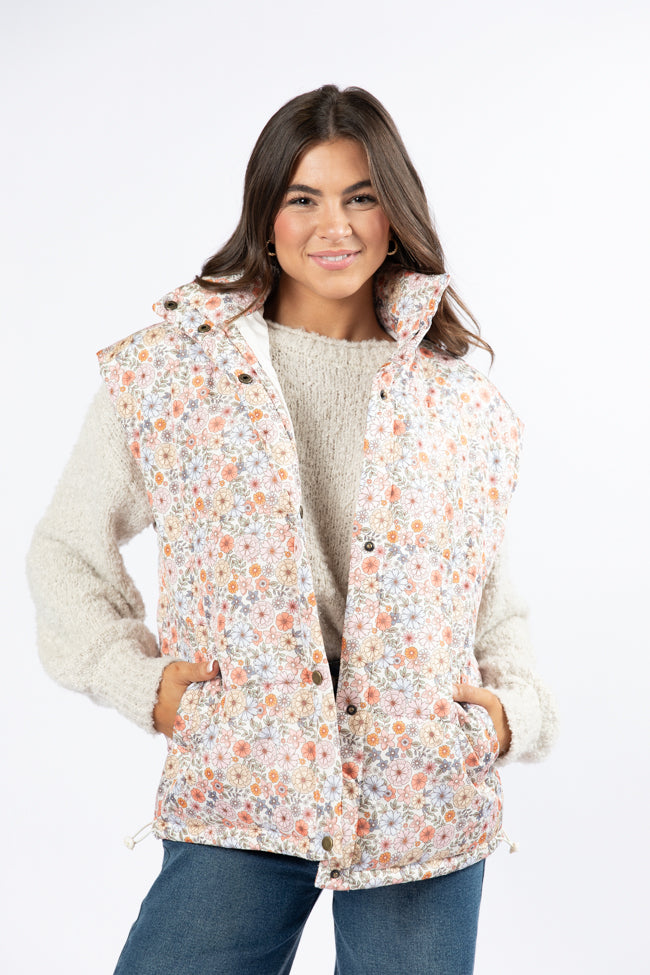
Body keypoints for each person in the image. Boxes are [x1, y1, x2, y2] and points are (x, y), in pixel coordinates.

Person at [26, 84, 558, 975]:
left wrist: (509, 716)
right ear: (265, 217)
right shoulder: (172, 370)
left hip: (421, 782)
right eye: (303, 197)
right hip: (245, 766)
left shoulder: (460, 401)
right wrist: (142, 683)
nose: (333, 225)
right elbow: (66, 550)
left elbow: (488, 594)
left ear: (394, 215)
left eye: (361, 196)